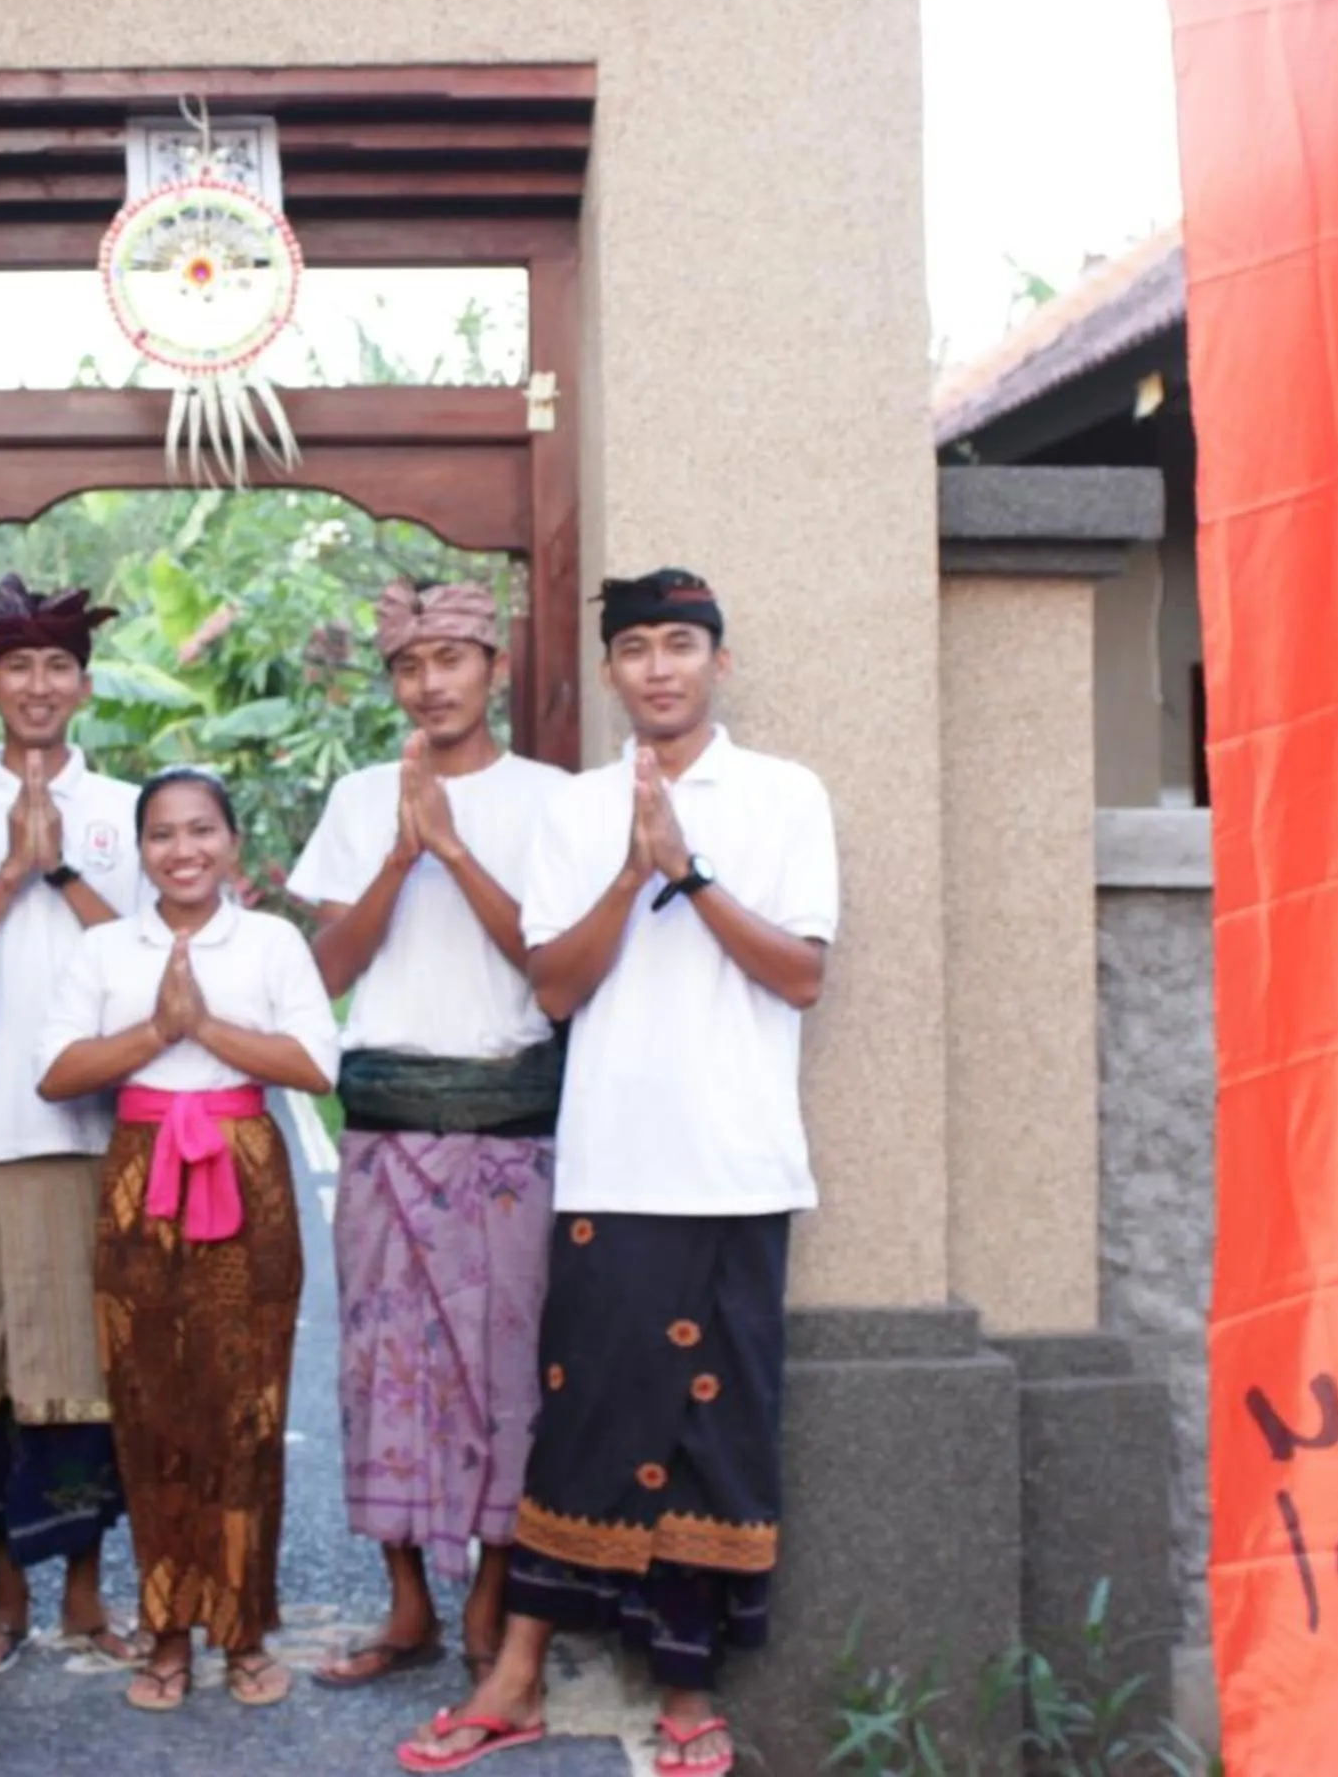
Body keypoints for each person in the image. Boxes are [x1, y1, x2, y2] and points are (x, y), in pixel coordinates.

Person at [398, 568, 838, 1777]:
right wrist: (635, 871)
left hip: (738, 1167)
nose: (658, 667)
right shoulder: (578, 808)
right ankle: (517, 1676)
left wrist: (691, 872)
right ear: (608, 672)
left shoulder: (786, 794)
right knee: (584, 1416)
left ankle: (688, 1687)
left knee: (716, 1427)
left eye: (680, 643)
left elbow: (801, 974)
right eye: (635, 647)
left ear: (718, 661)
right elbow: (553, 986)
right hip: (611, 1164)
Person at [286, 579, 568, 1689]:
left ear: (495, 666)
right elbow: (327, 972)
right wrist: (401, 855)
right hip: (388, 1120)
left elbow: (552, 969)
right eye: (409, 665)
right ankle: (406, 1603)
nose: (431, 683)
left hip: (510, 1124)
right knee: (383, 1365)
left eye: (452, 658)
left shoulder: (553, 801)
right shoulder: (362, 797)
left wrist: (452, 849)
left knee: (506, 1370)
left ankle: (491, 1602)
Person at [35, 768, 340, 1715]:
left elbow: (314, 1065)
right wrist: (155, 1032)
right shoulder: (104, 949)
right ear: (141, 851)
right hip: (141, 1179)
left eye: (202, 830)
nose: (183, 850)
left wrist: (202, 1025)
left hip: (247, 1174)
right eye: (162, 834)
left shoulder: (273, 942)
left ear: (232, 843)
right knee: (151, 1406)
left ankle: (242, 1633)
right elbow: (57, 1070)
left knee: (246, 1409)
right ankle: (167, 1632)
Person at [0, 574, 152, 1676]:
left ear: (85, 686)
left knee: (91, 1376)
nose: (39, 685)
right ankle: (6, 1597)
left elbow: (151, 973)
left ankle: (89, 1596)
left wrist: (62, 867)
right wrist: (9, 870)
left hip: (97, 1134)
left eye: (59, 666)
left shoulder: (129, 810)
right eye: (19, 666)